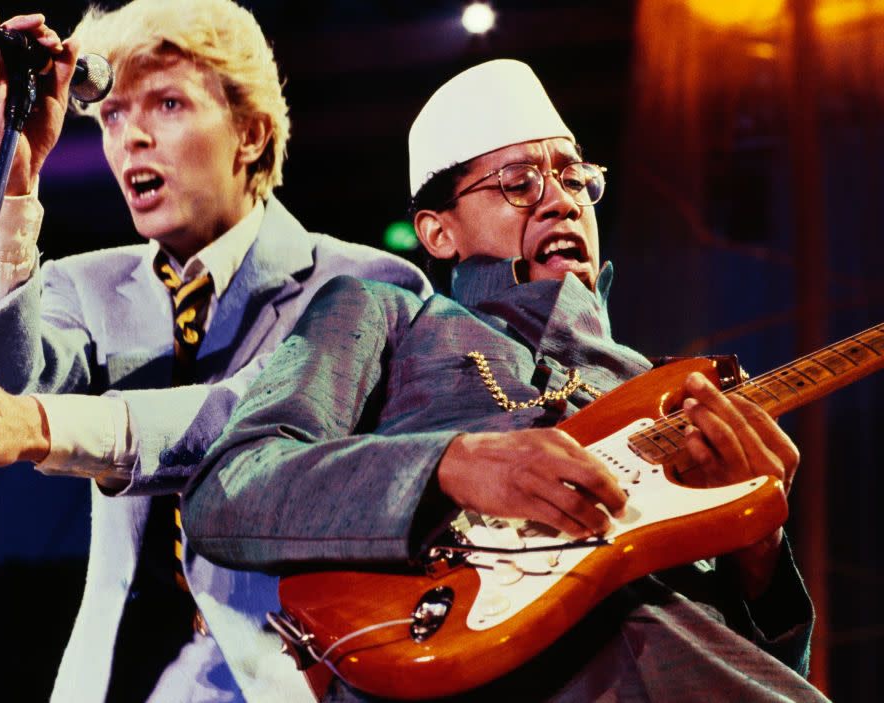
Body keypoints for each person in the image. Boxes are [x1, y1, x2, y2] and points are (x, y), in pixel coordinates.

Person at [181, 59, 830, 702]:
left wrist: (758, 551)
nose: (561, 199)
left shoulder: (667, 389)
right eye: (519, 182)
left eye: (575, 176)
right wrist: (449, 466)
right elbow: (229, 489)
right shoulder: (386, 315)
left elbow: (767, 660)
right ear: (438, 232)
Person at [0, 1, 430, 702]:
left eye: (167, 103)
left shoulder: (365, 285)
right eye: (112, 114)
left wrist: (47, 426)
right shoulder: (87, 282)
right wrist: (11, 179)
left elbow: (251, 414)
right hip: (111, 682)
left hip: (288, 683)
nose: (131, 136)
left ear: (252, 134)